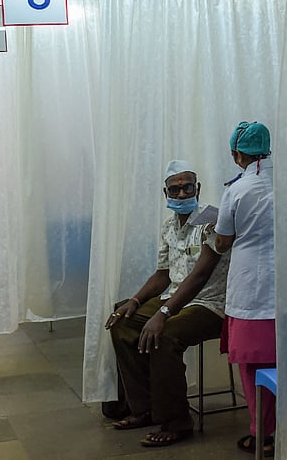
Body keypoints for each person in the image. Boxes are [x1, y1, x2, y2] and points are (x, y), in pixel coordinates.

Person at [106, 159, 230, 448]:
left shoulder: (212, 221)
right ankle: (145, 408)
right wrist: (136, 301)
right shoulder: (168, 227)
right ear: (166, 194)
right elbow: (163, 274)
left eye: (187, 187)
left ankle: (177, 421)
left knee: (164, 333)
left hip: (209, 303)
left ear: (197, 187)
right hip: (173, 297)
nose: (182, 194)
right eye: (175, 190)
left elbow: (199, 276)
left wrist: (163, 312)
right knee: (123, 322)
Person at [211, 121, 276, 456]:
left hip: (251, 287)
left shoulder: (237, 189)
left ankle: (262, 435)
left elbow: (223, 241)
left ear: (238, 154)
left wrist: (213, 232)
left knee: (253, 364)